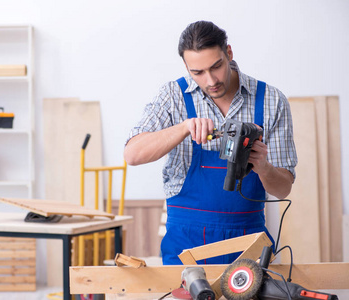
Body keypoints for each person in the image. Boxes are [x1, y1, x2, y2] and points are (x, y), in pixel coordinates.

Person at [124, 21, 297, 265]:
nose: (211, 80)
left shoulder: (271, 100)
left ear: (229, 53)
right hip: (186, 240)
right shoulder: (173, 96)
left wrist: (263, 166)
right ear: (186, 67)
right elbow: (132, 154)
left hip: (249, 240)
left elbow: (283, 189)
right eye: (198, 72)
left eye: (216, 66)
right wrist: (184, 127)